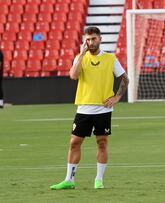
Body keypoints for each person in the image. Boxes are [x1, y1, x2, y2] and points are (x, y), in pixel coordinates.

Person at [50, 27, 129, 190]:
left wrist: (117, 97)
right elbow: (73, 75)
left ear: (100, 39)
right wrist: (81, 55)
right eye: (88, 39)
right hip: (84, 108)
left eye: (94, 39)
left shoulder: (110, 59)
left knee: (102, 143)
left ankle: (99, 180)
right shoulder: (80, 58)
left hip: (103, 109)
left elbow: (125, 79)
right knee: (74, 142)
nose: (91, 42)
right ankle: (69, 180)